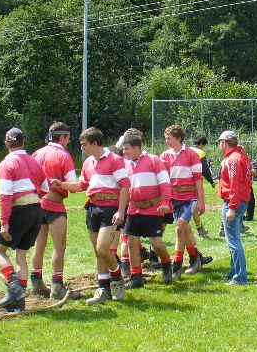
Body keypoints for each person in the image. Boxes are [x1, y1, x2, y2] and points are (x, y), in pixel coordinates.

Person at [53, 127, 130, 305]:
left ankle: (117, 278)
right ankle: (103, 289)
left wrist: (121, 211)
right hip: (93, 208)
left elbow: (125, 186)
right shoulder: (88, 162)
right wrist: (61, 184)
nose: (82, 148)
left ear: (95, 143)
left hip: (110, 209)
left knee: (103, 249)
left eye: (84, 144)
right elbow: (82, 186)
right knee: (98, 252)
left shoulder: (114, 159)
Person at [0, 128, 48, 312]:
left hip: (18, 210)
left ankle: (14, 287)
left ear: (6, 144)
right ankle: (19, 303)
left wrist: (5, 222)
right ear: (23, 142)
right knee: (21, 255)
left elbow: (5, 195)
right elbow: (45, 189)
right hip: (36, 210)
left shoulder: (6, 164)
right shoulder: (34, 161)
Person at [30, 122, 78, 300]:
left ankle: (36, 283)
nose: (69, 141)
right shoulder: (63, 155)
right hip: (55, 205)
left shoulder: (37, 153)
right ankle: (57, 286)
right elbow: (72, 185)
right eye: (68, 138)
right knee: (59, 246)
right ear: (63, 137)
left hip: (37, 204)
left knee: (39, 244)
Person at [120, 131, 174, 288]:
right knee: (132, 240)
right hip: (134, 208)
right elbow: (124, 188)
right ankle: (136, 277)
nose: (124, 152)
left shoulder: (153, 160)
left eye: (127, 148)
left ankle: (166, 264)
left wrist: (165, 202)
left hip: (153, 208)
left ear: (137, 148)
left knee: (155, 242)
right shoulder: (125, 165)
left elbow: (165, 182)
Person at [161, 125, 206, 279]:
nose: (167, 141)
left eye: (169, 138)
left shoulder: (191, 154)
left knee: (179, 229)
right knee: (185, 229)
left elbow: (198, 179)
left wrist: (201, 201)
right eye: (166, 138)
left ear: (179, 138)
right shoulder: (165, 155)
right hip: (174, 199)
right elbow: (162, 179)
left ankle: (177, 266)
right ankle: (195, 260)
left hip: (189, 198)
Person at [218, 131, 251, 285]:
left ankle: (239, 278)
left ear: (224, 143)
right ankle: (233, 272)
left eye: (220, 142)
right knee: (233, 239)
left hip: (234, 202)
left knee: (233, 241)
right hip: (242, 200)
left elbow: (234, 184)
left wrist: (231, 207)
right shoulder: (241, 156)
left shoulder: (233, 159)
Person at [190, 136, 216, 238]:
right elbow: (205, 169)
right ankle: (199, 228)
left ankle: (199, 228)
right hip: (193, 183)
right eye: (203, 146)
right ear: (201, 144)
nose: (203, 148)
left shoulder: (186, 149)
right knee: (194, 206)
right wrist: (211, 181)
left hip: (181, 182)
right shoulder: (199, 152)